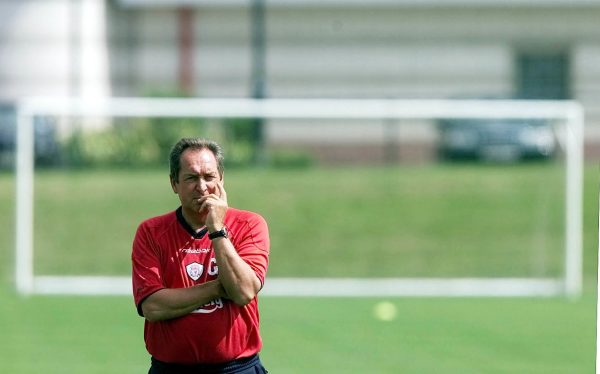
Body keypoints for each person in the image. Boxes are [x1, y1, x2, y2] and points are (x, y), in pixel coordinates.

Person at [131, 138, 270, 373]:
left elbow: (244, 291)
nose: (202, 187)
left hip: (237, 369)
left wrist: (217, 229)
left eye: (209, 177)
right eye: (191, 178)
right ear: (174, 183)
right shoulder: (151, 232)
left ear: (222, 179)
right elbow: (153, 307)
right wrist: (217, 288)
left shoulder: (249, 224)